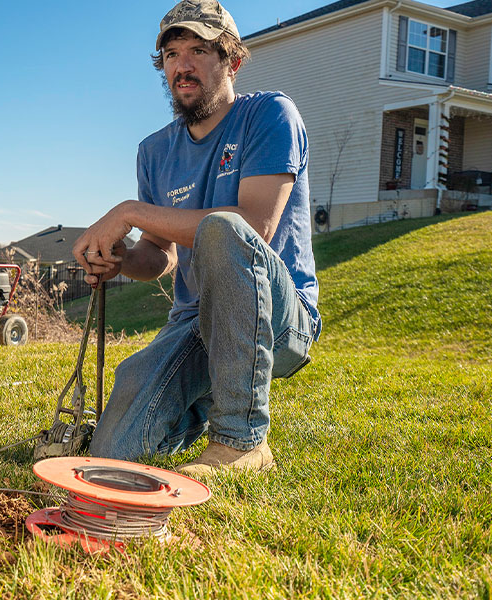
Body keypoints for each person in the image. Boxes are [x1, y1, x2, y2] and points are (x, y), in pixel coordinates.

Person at [72, 0, 321, 476]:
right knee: (109, 455)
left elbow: (254, 226)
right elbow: (158, 256)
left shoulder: (270, 114)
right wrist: (120, 257)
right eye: (170, 54)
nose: (182, 66)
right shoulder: (154, 151)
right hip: (196, 321)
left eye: (200, 49)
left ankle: (241, 442)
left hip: (278, 317)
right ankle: (191, 406)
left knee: (225, 229)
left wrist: (128, 211)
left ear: (233, 60)